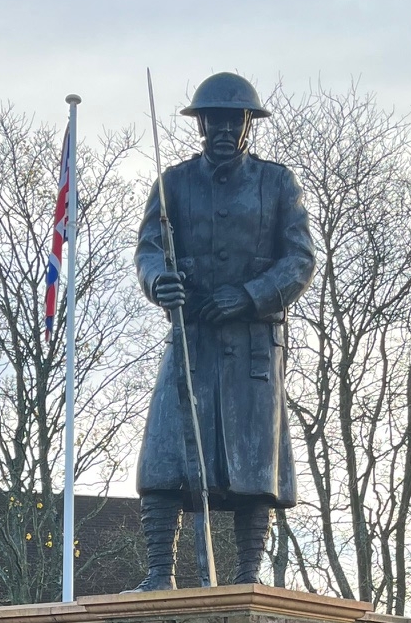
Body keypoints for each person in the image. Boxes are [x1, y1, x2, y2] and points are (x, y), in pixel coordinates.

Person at [132, 73, 315, 588]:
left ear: (246, 126)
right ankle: (157, 574)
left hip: (252, 345)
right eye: (213, 119)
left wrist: (251, 295)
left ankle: (246, 576)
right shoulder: (173, 184)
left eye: (232, 120)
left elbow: (300, 260)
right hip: (191, 341)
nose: (221, 128)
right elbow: (148, 249)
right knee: (165, 455)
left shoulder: (277, 184)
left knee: (254, 465)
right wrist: (159, 280)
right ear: (201, 124)